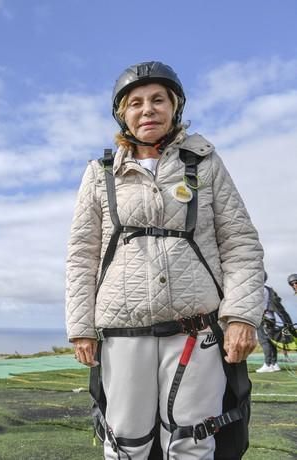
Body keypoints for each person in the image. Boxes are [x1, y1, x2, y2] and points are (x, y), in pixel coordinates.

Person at [66, 61, 264, 459]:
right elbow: (81, 255)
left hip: (196, 330)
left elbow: (240, 242)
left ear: (175, 107)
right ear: (123, 115)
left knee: (193, 439)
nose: (147, 109)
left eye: (158, 99)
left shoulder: (205, 163)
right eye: (135, 103)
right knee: (126, 442)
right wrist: (80, 327)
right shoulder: (100, 173)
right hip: (122, 329)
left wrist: (242, 316)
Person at [256, 273, 295, 372]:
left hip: (263, 320)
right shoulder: (269, 289)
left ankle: (268, 364)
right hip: (271, 319)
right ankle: (274, 364)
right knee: (271, 342)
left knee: (264, 341)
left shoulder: (260, 290)